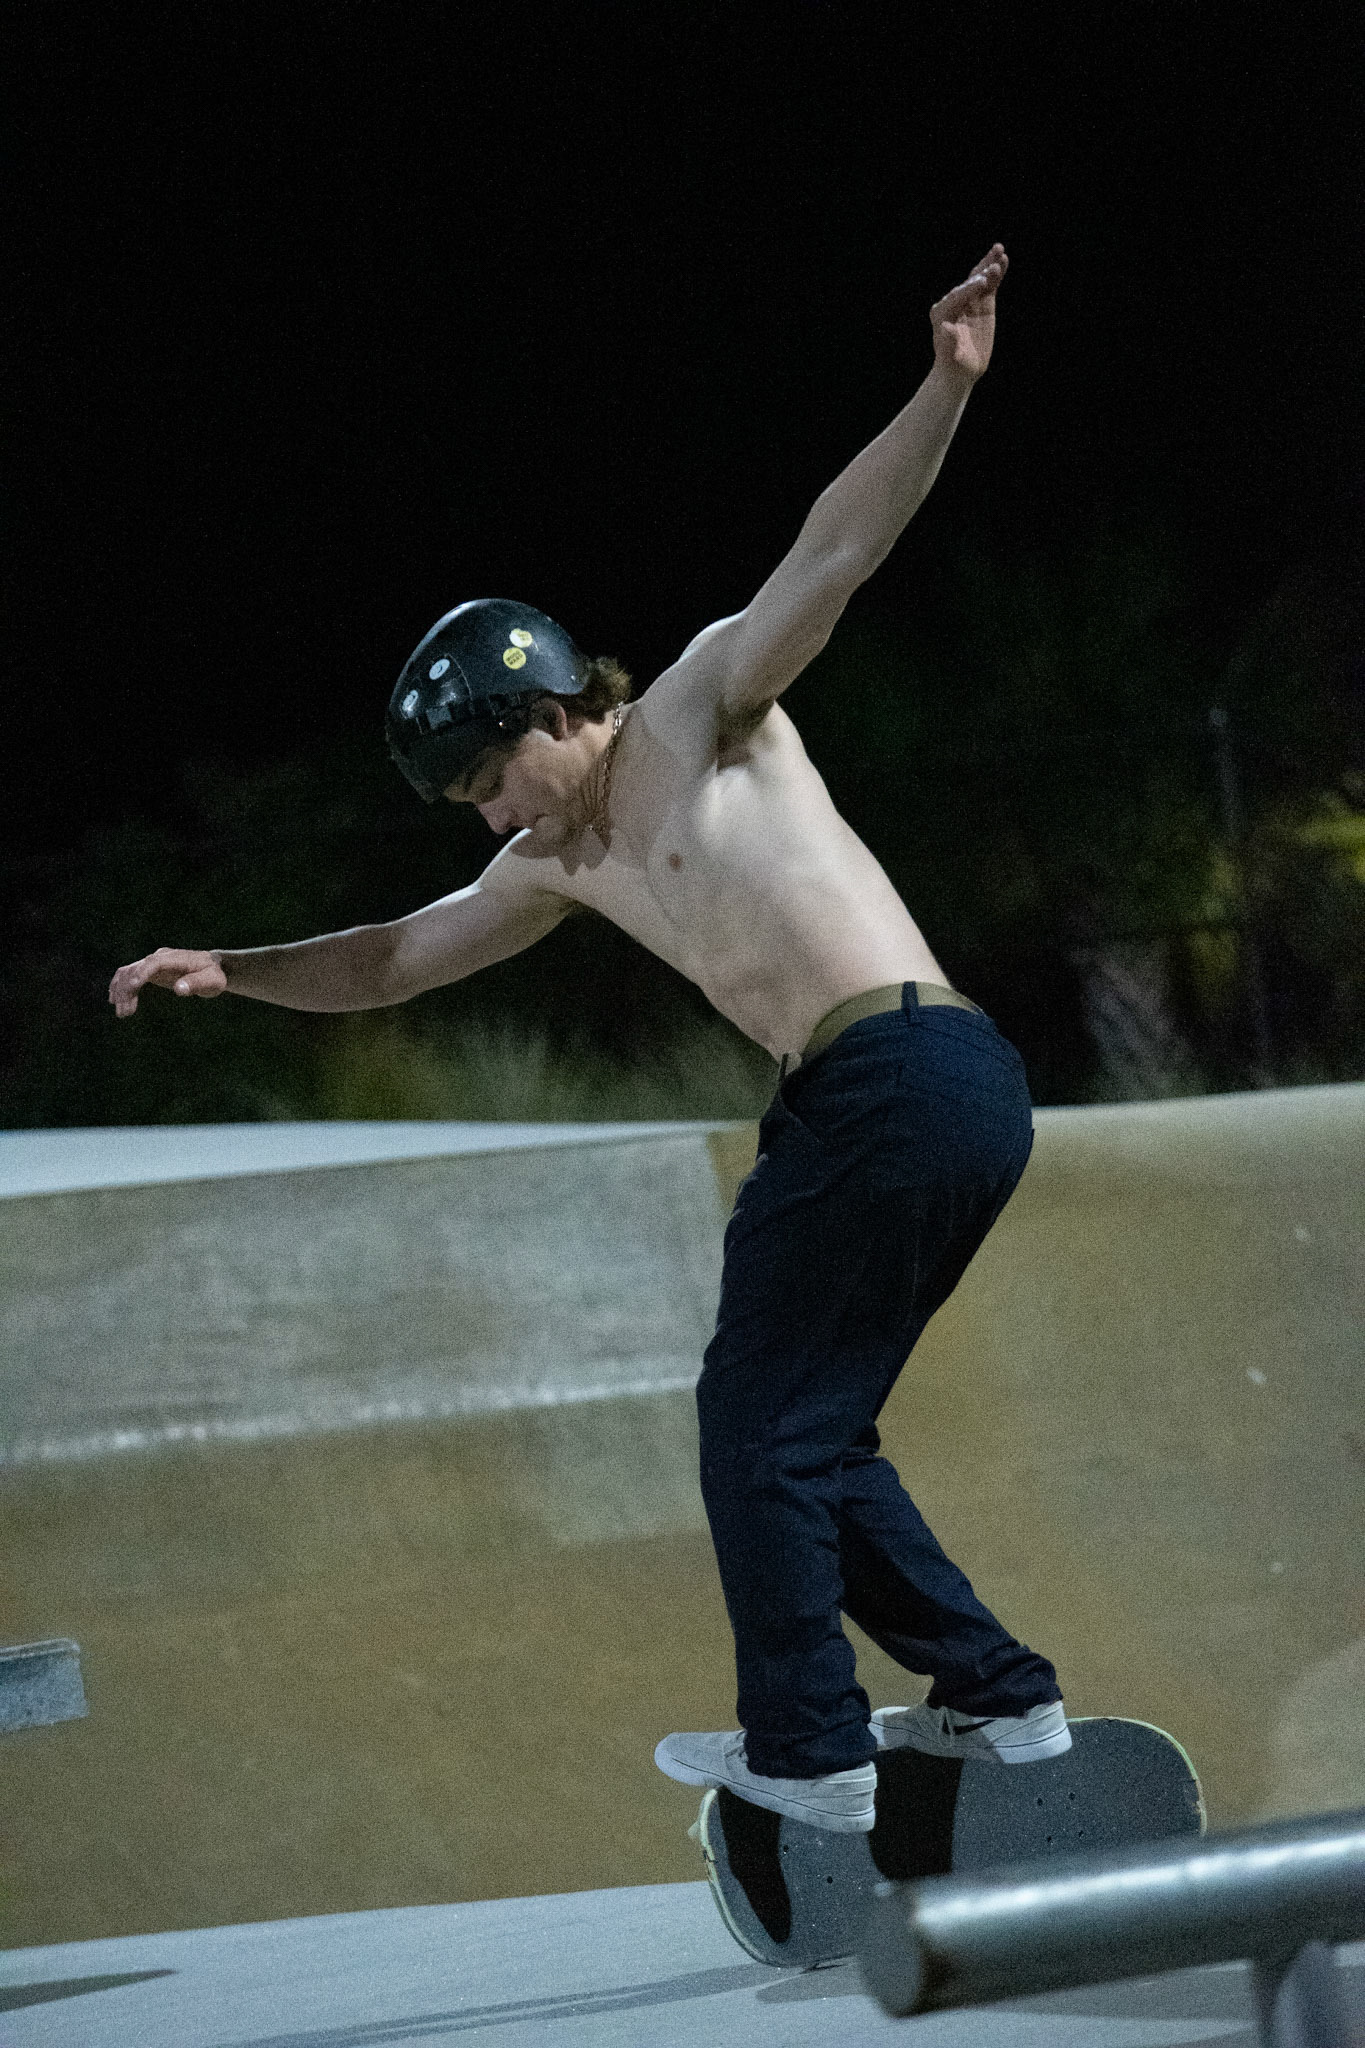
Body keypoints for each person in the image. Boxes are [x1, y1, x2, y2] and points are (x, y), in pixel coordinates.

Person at [109, 242, 1068, 1836]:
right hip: (903, 1097)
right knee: (809, 1433)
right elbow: (392, 958)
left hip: (898, 1074)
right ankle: (999, 1694)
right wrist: (237, 969)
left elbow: (833, 554)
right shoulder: (557, 864)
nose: (494, 821)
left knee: (754, 1424)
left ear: (552, 711)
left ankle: (810, 1749)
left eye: (493, 783)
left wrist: (943, 387)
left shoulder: (700, 711)